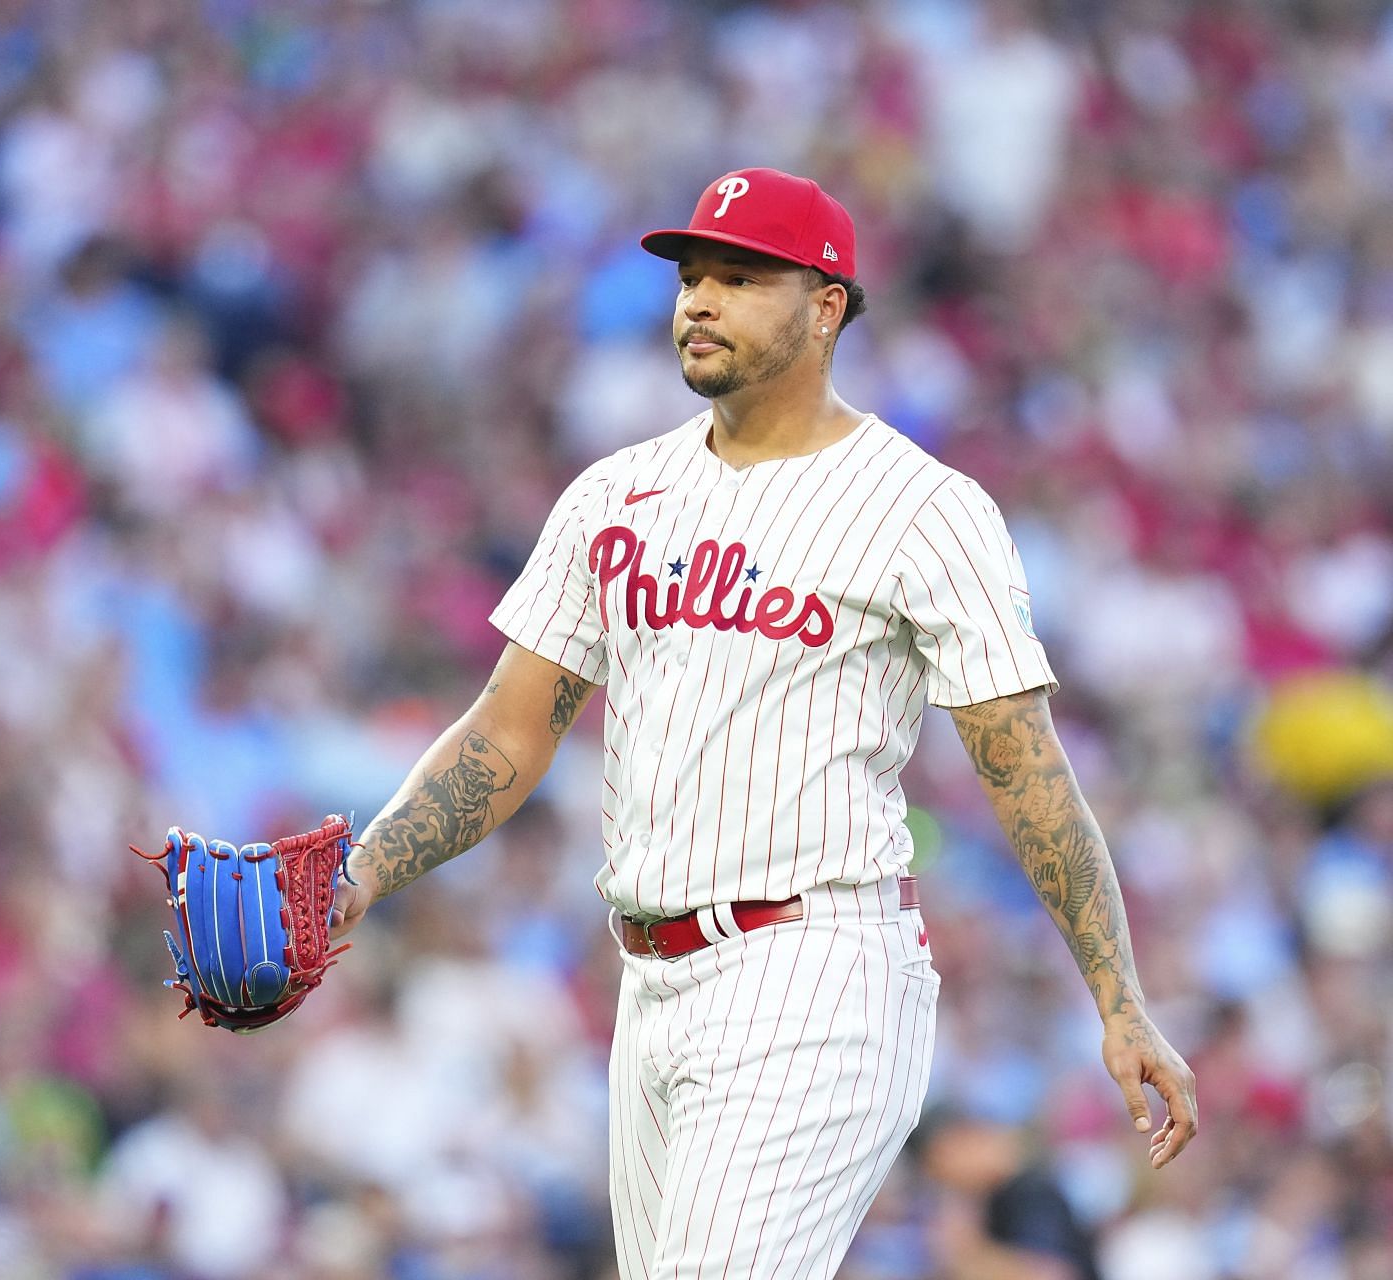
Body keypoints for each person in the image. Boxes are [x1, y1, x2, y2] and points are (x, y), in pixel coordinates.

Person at [328, 167, 1198, 1279]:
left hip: (816, 963)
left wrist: (1119, 999)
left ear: (826, 303)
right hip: (648, 985)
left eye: (739, 278)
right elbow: (507, 733)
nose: (698, 301)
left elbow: (1026, 770)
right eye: (692, 278)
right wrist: (358, 873)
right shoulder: (614, 494)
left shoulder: (922, 507)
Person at [909, 1104, 1103, 1280]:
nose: (944, 1180)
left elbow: (1054, 1275)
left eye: (940, 1164)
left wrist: (967, 1251)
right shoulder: (988, 1198)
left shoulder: (1031, 1189)